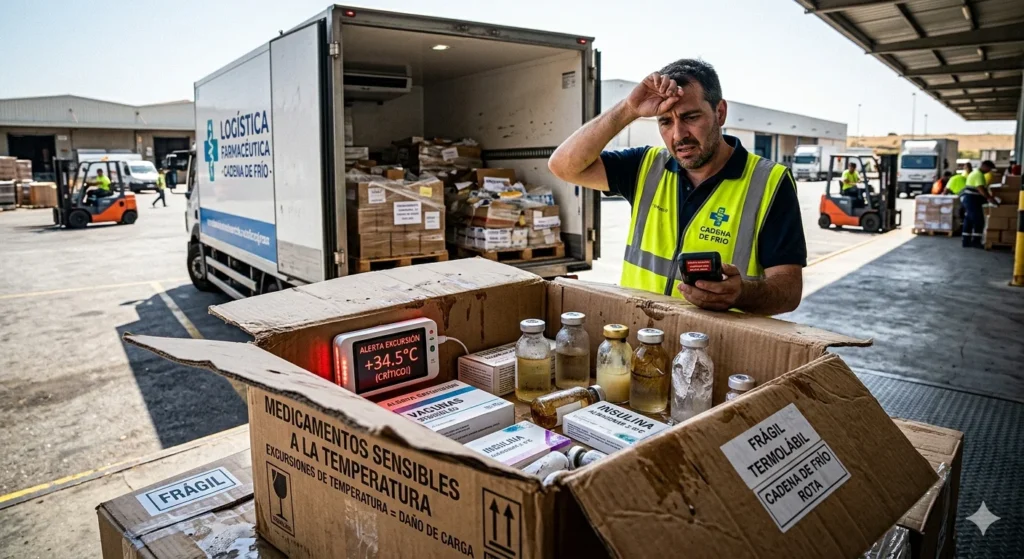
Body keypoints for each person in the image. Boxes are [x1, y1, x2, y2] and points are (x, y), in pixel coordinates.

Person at [548, 59, 805, 315]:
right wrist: (629, 109)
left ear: (720, 112)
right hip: (640, 336)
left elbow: (789, 290)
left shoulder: (769, 182)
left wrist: (741, 294)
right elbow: (563, 165)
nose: (678, 135)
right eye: (665, 122)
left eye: (690, 117)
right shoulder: (646, 166)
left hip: (716, 346)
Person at [960, 161, 998, 248]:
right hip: (972, 200)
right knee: (978, 220)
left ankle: (966, 241)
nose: (989, 171)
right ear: (984, 166)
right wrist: (989, 198)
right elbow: (980, 188)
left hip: (970, 199)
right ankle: (976, 242)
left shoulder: (976, 173)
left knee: (969, 220)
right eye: (989, 169)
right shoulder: (978, 175)